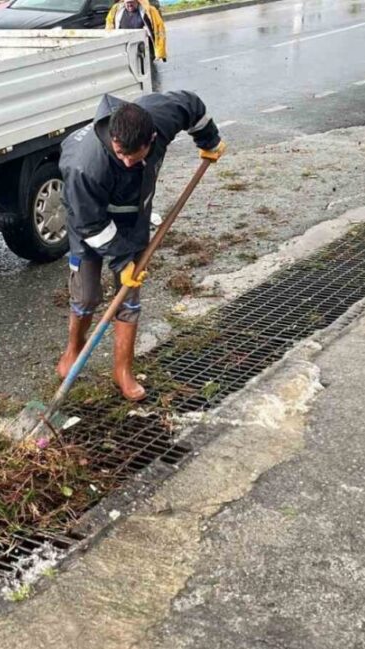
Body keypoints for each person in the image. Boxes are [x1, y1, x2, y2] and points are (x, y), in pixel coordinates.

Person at [57, 92, 226, 401]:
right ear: (113, 139)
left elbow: (192, 107)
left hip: (132, 217)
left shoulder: (161, 117)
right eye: (120, 155)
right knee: (86, 294)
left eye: (133, 157)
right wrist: (122, 262)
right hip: (88, 220)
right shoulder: (85, 168)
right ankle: (73, 351)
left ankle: (123, 371)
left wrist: (209, 141)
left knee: (129, 297)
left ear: (151, 139)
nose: (126, 162)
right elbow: (90, 225)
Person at [106, 0, 167, 90]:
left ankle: (153, 91)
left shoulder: (149, 11)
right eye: (127, 3)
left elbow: (159, 31)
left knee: (149, 80)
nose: (129, 5)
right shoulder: (117, 10)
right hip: (126, 52)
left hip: (144, 54)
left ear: (137, 1)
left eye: (132, 2)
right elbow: (109, 26)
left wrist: (159, 51)